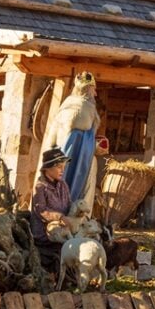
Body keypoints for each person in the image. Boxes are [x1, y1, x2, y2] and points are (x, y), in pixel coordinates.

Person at [42, 72, 101, 216]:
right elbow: (82, 139)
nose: (95, 93)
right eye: (93, 89)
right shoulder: (87, 107)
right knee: (80, 191)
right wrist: (96, 146)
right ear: (88, 89)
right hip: (80, 159)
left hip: (58, 155)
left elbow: (54, 138)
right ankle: (79, 220)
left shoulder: (66, 105)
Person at [31, 147, 72, 275]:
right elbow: (41, 211)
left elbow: (69, 204)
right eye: (59, 166)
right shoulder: (40, 187)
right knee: (68, 246)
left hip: (63, 228)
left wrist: (76, 214)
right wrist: (60, 217)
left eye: (63, 166)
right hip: (45, 234)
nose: (62, 170)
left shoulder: (63, 185)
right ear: (47, 168)